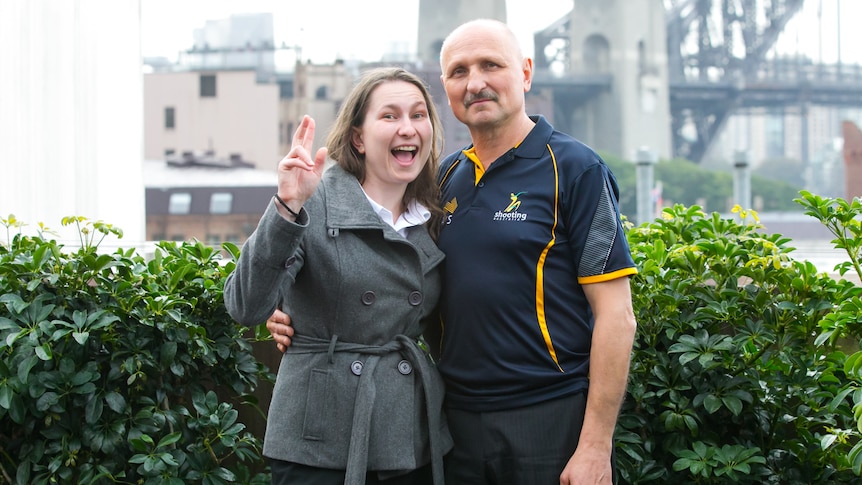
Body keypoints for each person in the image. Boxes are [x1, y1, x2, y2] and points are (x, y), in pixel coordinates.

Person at [269, 18, 638, 485]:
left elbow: (616, 316)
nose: (476, 82)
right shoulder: (442, 179)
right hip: (451, 422)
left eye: (491, 65)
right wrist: (293, 309)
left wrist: (594, 447)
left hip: (547, 418)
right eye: (459, 71)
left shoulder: (577, 169)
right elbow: (395, 279)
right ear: (446, 87)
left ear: (525, 73)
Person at [224, 67, 452, 485]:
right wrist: (287, 207)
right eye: (389, 116)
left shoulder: (434, 215)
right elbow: (246, 306)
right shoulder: (314, 199)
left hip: (408, 432)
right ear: (358, 137)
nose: (408, 128)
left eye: (419, 115)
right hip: (320, 434)